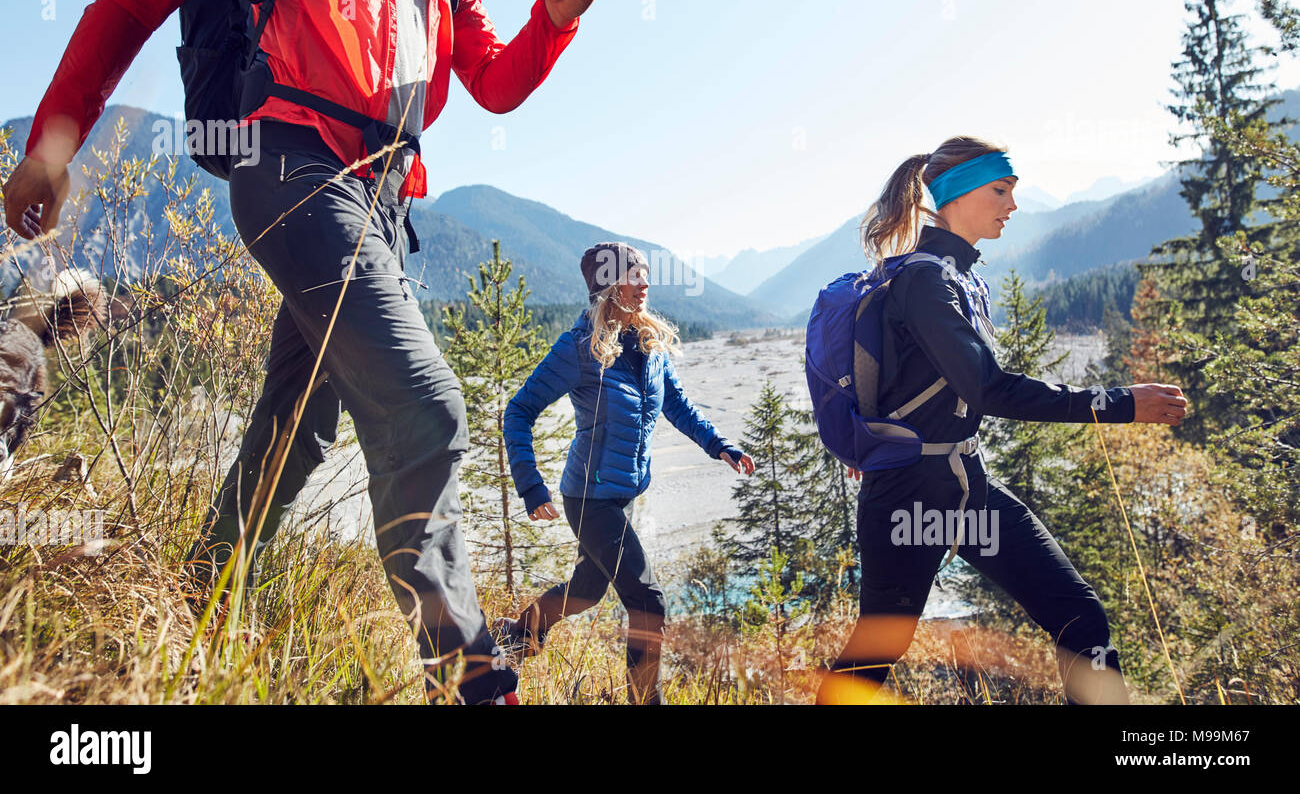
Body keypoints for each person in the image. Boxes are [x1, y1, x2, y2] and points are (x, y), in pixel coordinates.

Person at [2, 0, 597, 705]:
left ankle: (195, 602)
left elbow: (492, 82)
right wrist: (54, 145)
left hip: (382, 206)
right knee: (424, 404)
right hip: (289, 171)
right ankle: (472, 680)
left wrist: (555, 18)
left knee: (297, 427)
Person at [817, 136, 1189, 705]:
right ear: (958, 194)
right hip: (910, 499)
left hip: (967, 486)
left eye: (1012, 191)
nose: (1012, 205)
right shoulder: (925, 281)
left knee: (1078, 616)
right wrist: (1118, 404)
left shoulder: (956, 275)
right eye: (1000, 190)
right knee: (876, 653)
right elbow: (987, 389)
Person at [498, 242, 755, 704]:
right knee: (648, 601)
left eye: (645, 274)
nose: (645, 284)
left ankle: (514, 637)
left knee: (586, 591)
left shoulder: (649, 345)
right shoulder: (580, 348)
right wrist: (530, 484)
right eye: (634, 275)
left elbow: (677, 404)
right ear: (607, 286)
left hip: (623, 495)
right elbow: (518, 411)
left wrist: (719, 446)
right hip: (589, 499)